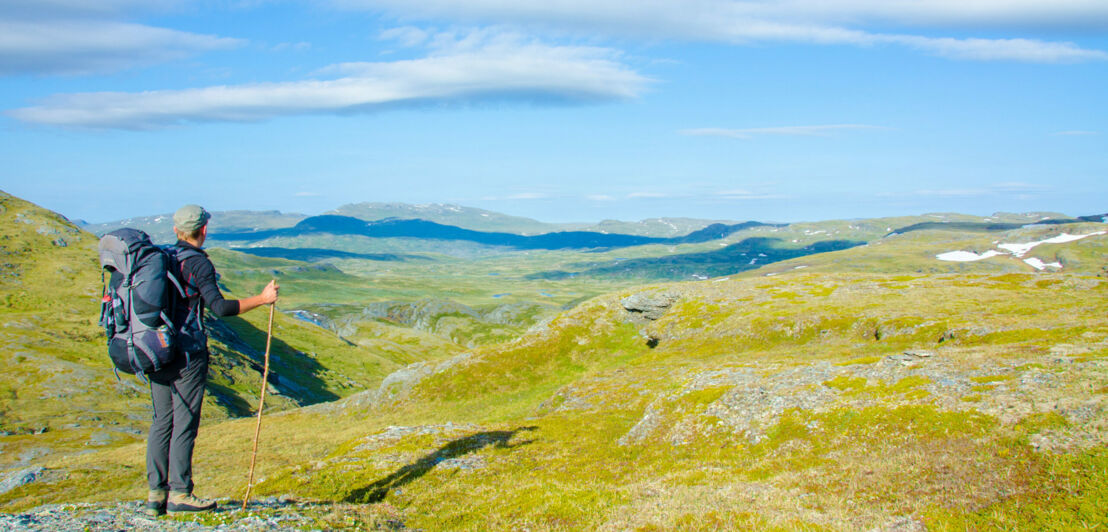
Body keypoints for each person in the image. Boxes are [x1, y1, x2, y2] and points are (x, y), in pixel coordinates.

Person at [144, 204, 279, 516]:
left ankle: (155, 496)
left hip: (154, 348)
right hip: (187, 352)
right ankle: (180, 493)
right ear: (203, 230)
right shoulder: (197, 264)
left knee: (162, 420)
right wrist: (262, 299)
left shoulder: (160, 258)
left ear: (176, 230)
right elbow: (220, 308)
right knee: (185, 422)